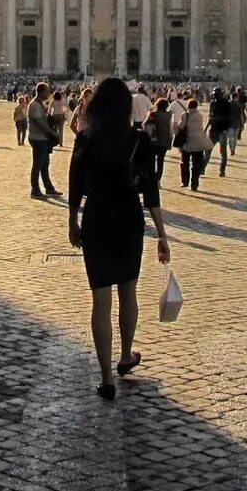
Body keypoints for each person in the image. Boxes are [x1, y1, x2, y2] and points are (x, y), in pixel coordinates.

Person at [67, 77, 171, 399]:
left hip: (97, 217)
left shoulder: (86, 138)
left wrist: (72, 220)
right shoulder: (137, 140)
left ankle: (106, 377)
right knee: (128, 292)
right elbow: (150, 189)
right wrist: (162, 234)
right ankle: (126, 354)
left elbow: (75, 183)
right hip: (128, 218)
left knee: (100, 300)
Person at [26, 82, 61, 199]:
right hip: (38, 138)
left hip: (42, 138)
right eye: (47, 91)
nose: (49, 93)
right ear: (41, 92)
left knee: (44, 164)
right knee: (38, 165)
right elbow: (39, 121)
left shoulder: (39, 104)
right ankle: (35, 190)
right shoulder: (35, 105)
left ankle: (49, 188)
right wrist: (51, 132)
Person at [177, 98, 212, 191]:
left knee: (185, 162)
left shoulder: (185, 115)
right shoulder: (199, 115)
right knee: (197, 164)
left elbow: (181, 126)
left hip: (187, 141)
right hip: (199, 142)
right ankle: (194, 184)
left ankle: (185, 181)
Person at [145, 98, 174, 184]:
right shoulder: (168, 115)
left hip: (153, 140)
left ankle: (152, 177)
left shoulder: (153, 114)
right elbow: (170, 129)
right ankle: (158, 178)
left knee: (152, 160)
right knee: (161, 161)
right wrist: (170, 141)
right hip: (164, 140)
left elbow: (145, 125)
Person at [210, 90, 236, 176]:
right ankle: (202, 167)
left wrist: (218, 119)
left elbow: (229, 116)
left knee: (223, 151)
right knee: (208, 149)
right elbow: (211, 116)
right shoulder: (212, 103)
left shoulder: (226, 103)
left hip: (223, 129)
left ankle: (222, 170)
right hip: (214, 129)